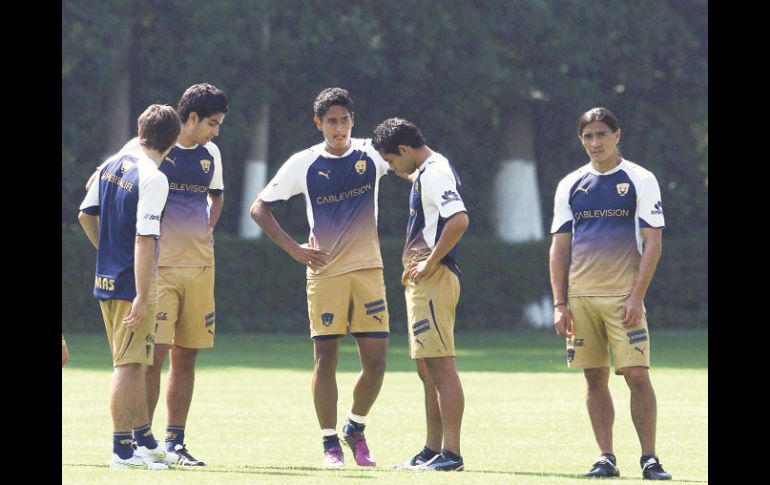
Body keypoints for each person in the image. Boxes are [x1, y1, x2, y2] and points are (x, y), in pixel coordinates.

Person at [250, 87, 392, 468]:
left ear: (352, 121)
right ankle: (330, 442)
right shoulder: (304, 163)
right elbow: (259, 208)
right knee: (325, 358)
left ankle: (355, 427)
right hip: (326, 273)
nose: (339, 127)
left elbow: (411, 166)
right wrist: (295, 250)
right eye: (331, 121)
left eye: (344, 120)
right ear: (319, 123)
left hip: (368, 271)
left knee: (377, 362)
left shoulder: (371, 153)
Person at [549, 107, 672, 480]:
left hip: (623, 298)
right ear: (580, 140)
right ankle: (606, 457)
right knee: (593, 377)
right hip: (581, 298)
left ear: (618, 136)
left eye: (602, 134)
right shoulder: (570, 183)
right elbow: (559, 246)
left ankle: (649, 458)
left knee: (636, 374)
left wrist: (637, 296)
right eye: (588, 136)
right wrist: (559, 303)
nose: (595, 142)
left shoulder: (639, 179)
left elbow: (653, 243)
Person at [122, 83, 228, 466]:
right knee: (154, 356)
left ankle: (174, 444)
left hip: (200, 269)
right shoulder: (147, 150)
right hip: (160, 269)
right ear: (192, 118)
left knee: (187, 358)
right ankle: (141, 442)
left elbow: (216, 196)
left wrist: (206, 230)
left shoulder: (211, 154)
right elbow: (106, 183)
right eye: (212, 124)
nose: (215, 132)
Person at [79, 104, 180, 470]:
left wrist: (104, 252)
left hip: (107, 277)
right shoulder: (154, 178)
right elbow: (145, 239)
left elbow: (85, 214)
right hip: (129, 284)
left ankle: (137, 442)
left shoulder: (112, 164)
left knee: (136, 363)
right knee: (127, 364)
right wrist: (141, 292)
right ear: (173, 142)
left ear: (141, 132)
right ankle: (122, 451)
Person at [372, 118, 469, 472]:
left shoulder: (435, 172)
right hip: (423, 283)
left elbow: (458, 219)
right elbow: (425, 190)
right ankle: (432, 449)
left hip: (435, 281)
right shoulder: (425, 173)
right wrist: (407, 176)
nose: (393, 167)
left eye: (392, 160)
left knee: (441, 368)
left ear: (404, 150)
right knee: (427, 370)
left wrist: (430, 260)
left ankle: (452, 454)